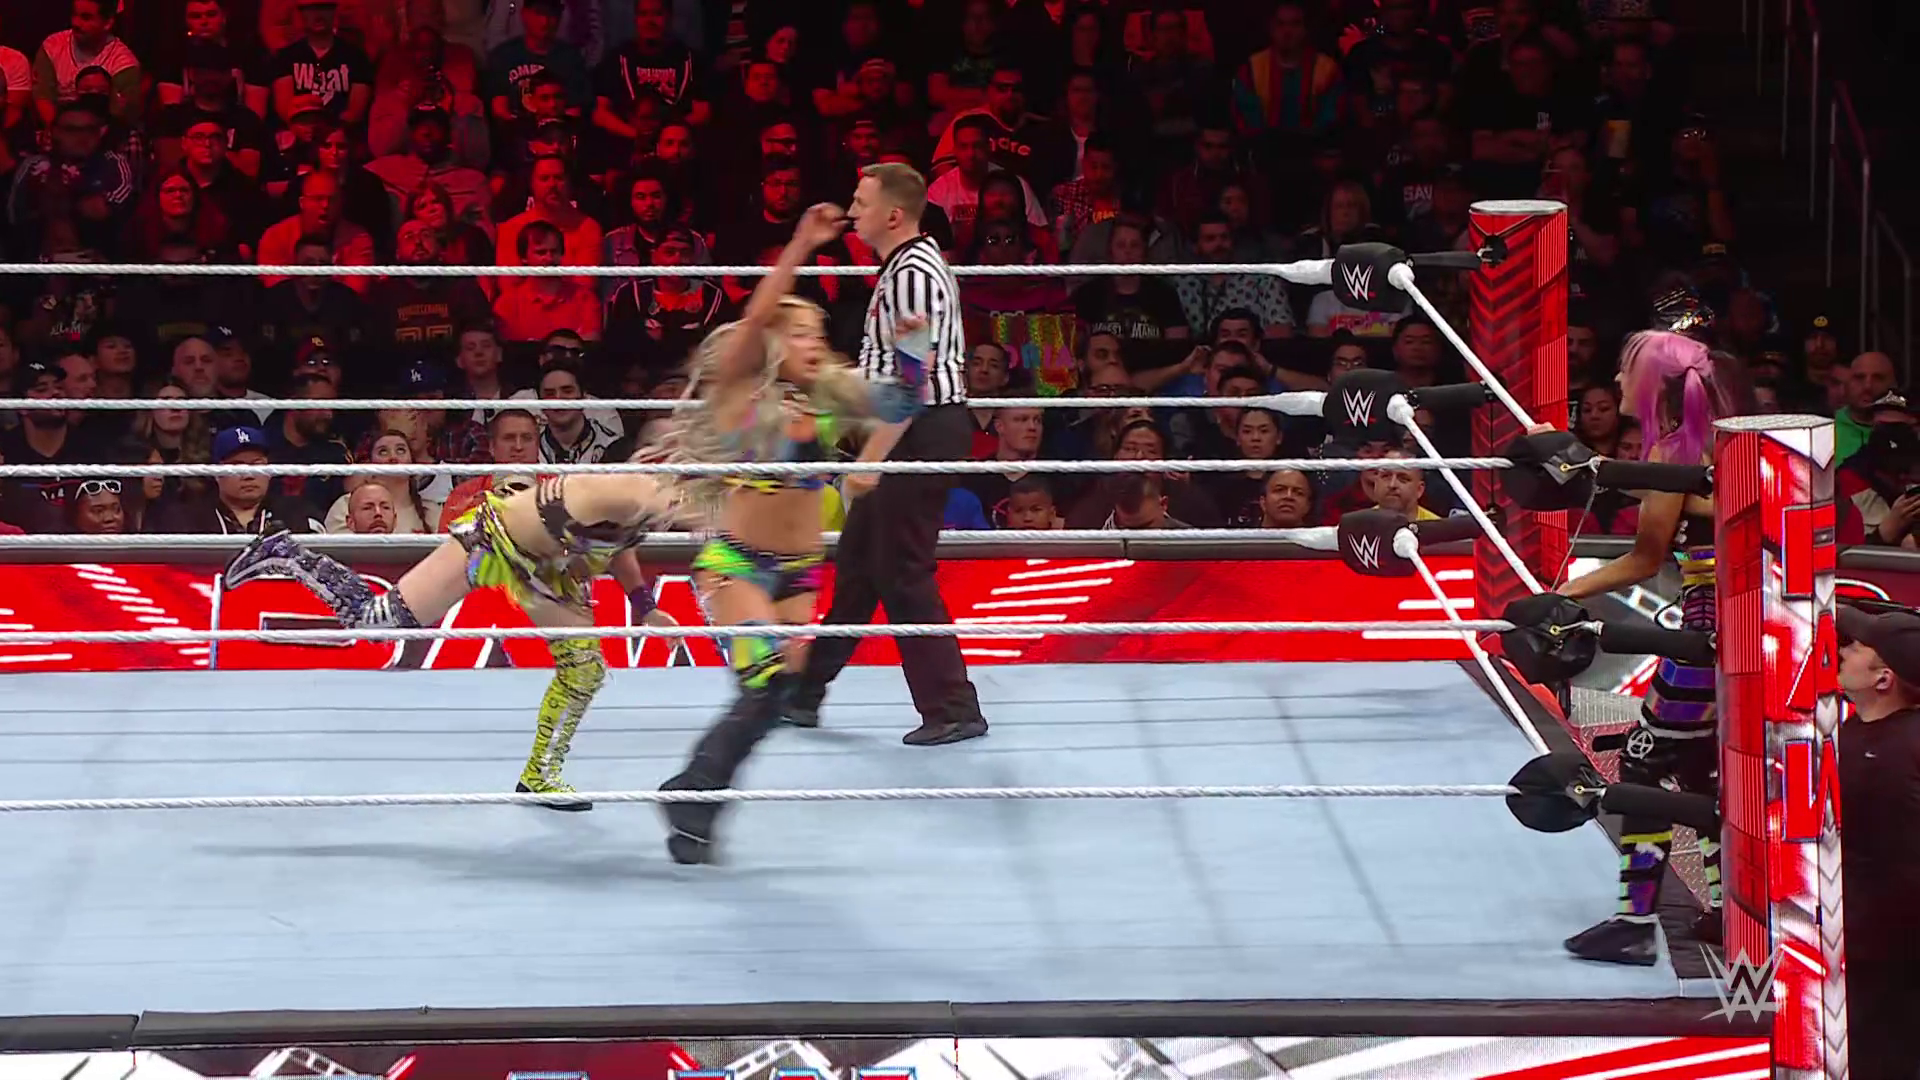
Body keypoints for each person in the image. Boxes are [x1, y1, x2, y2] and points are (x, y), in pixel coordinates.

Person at [222, 450, 691, 812]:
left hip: (544, 570)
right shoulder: (623, 490)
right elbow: (553, 511)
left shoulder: (650, 506)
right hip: (492, 541)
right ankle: (286, 553)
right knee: (378, 622)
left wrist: (645, 606)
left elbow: (622, 543)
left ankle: (540, 776)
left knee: (584, 670)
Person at [655, 204, 876, 865]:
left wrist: (920, 345)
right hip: (739, 567)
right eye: (799, 332)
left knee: (778, 694)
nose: (814, 342)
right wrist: (803, 242)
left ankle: (692, 796)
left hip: (801, 573)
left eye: (819, 332)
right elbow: (754, 319)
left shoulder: (826, 401)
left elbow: (902, 400)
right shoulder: (740, 394)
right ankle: (694, 795)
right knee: (764, 682)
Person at [1548, 331, 1752, 965]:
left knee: (1643, 764)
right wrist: (1588, 469)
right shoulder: (1730, 444)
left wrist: (1557, 597)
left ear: (1651, 384)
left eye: (1625, 369)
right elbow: (1674, 504)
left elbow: (1643, 558)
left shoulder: (1676, 448)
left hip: (1703, 634)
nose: (1617, 378)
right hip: (1744, 627)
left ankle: (1635, 922)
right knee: (1699, 770)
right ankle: (1730, 914)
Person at [785, 163, 991, 746]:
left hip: (918, 431)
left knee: (903, 570)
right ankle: (802, 694)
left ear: (893, 215)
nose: (853, 211)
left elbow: (912, 380)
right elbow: (889, 371)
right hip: (907, 428)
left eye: (861, 201)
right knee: (858, 567)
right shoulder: (901, 268)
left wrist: (870, 460)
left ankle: (953, 707)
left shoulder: (913, 274)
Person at [1833, 602, 1920, 1077]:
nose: (1846, 650)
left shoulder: (1903, 749)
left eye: (1859, 646)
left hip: (1888, 958)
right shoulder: (1856, 731)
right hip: (1857, 947)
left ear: (1883, 679)